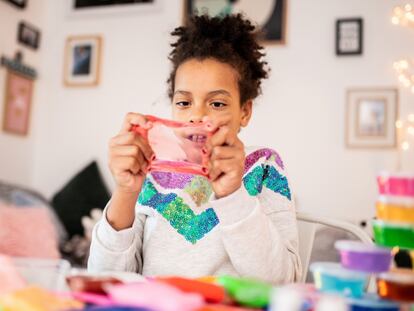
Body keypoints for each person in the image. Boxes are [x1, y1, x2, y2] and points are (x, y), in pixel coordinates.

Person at [88, 13, 301, 284]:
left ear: (244, 112)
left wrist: (233, 194)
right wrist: (126, 192)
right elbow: (103, 280)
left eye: (217, 104)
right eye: (184, 103)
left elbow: (284, 282)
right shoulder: (152, 171)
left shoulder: (264, 166)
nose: (196, 117)